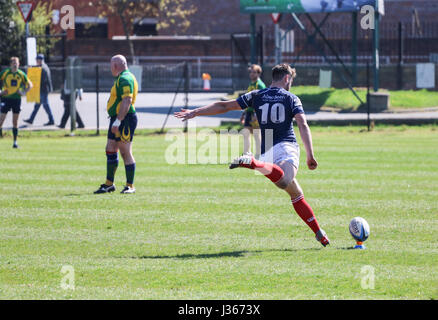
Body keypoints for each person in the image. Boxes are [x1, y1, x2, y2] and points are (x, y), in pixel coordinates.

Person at [174, 63, 330, 247]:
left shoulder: (256, 95)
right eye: (291, 81)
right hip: (286, 146)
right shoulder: (292, 98)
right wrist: (310, 155)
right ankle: (253, 162)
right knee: (285, 181)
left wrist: (195, 112)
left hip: (268, 153)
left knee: (296, 194)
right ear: (287, 78)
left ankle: (319, 233)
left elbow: (224, 106)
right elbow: (303, 124)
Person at [94, 54, 138, 194]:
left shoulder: (125, 78)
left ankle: (130, 185)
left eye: (111, 65)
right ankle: (109, 184)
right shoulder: (121, 77)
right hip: (118, 118)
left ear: (115, 66)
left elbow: (127, 101)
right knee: (111, 148)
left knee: (125, 151)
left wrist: (118, 121)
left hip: (125, 119)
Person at [0, 57, 33, 148]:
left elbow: (30, 84)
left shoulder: (21, 74)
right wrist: (1, 92)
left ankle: (15, 143)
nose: (15, 64)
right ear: (10, 64)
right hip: (6, 99)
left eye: (17, 63)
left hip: (16, 99)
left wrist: (23, 92)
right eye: (13, 63)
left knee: (15, 121)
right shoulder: (5, 73)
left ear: (19, 64)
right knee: (1, 120)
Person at [240, 64, 266, 158]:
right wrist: (244, 113)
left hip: (256, 112)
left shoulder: (260, 85)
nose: (251, 74)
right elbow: (248, 101)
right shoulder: (251, 84)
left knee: (256, 133)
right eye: (250, 72)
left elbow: (261, 101)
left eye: (254, 72)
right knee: (246, 132)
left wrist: (256, 113)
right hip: (249, 112)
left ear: (258, 73)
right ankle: (247, 153)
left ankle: (259, 154)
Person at [24, 54, 55, 126]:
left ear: (40, 60)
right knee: (37, 106)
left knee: (45, 105)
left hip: (43, 90)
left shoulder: (43, 68)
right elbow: (37, 68)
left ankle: (51, 120)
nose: (36, 61)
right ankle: (31, 119)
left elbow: (43, 79)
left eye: (37, 60)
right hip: (41, 90)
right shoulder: (42, 67)